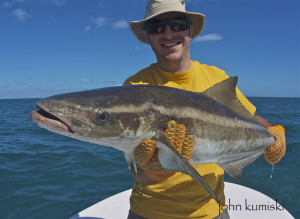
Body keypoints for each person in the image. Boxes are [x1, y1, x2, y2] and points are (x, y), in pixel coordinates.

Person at [123, 0, 286, 218]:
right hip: (148, 212)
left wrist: (274, 131)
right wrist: (154, 170)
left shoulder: (217, 78)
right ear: (147, 36)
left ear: (190, 30)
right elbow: (138, 174)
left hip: (211, 212)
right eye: (157, 27)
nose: (168, 33)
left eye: (177, 24)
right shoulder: (134, 88)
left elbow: (249, 117)